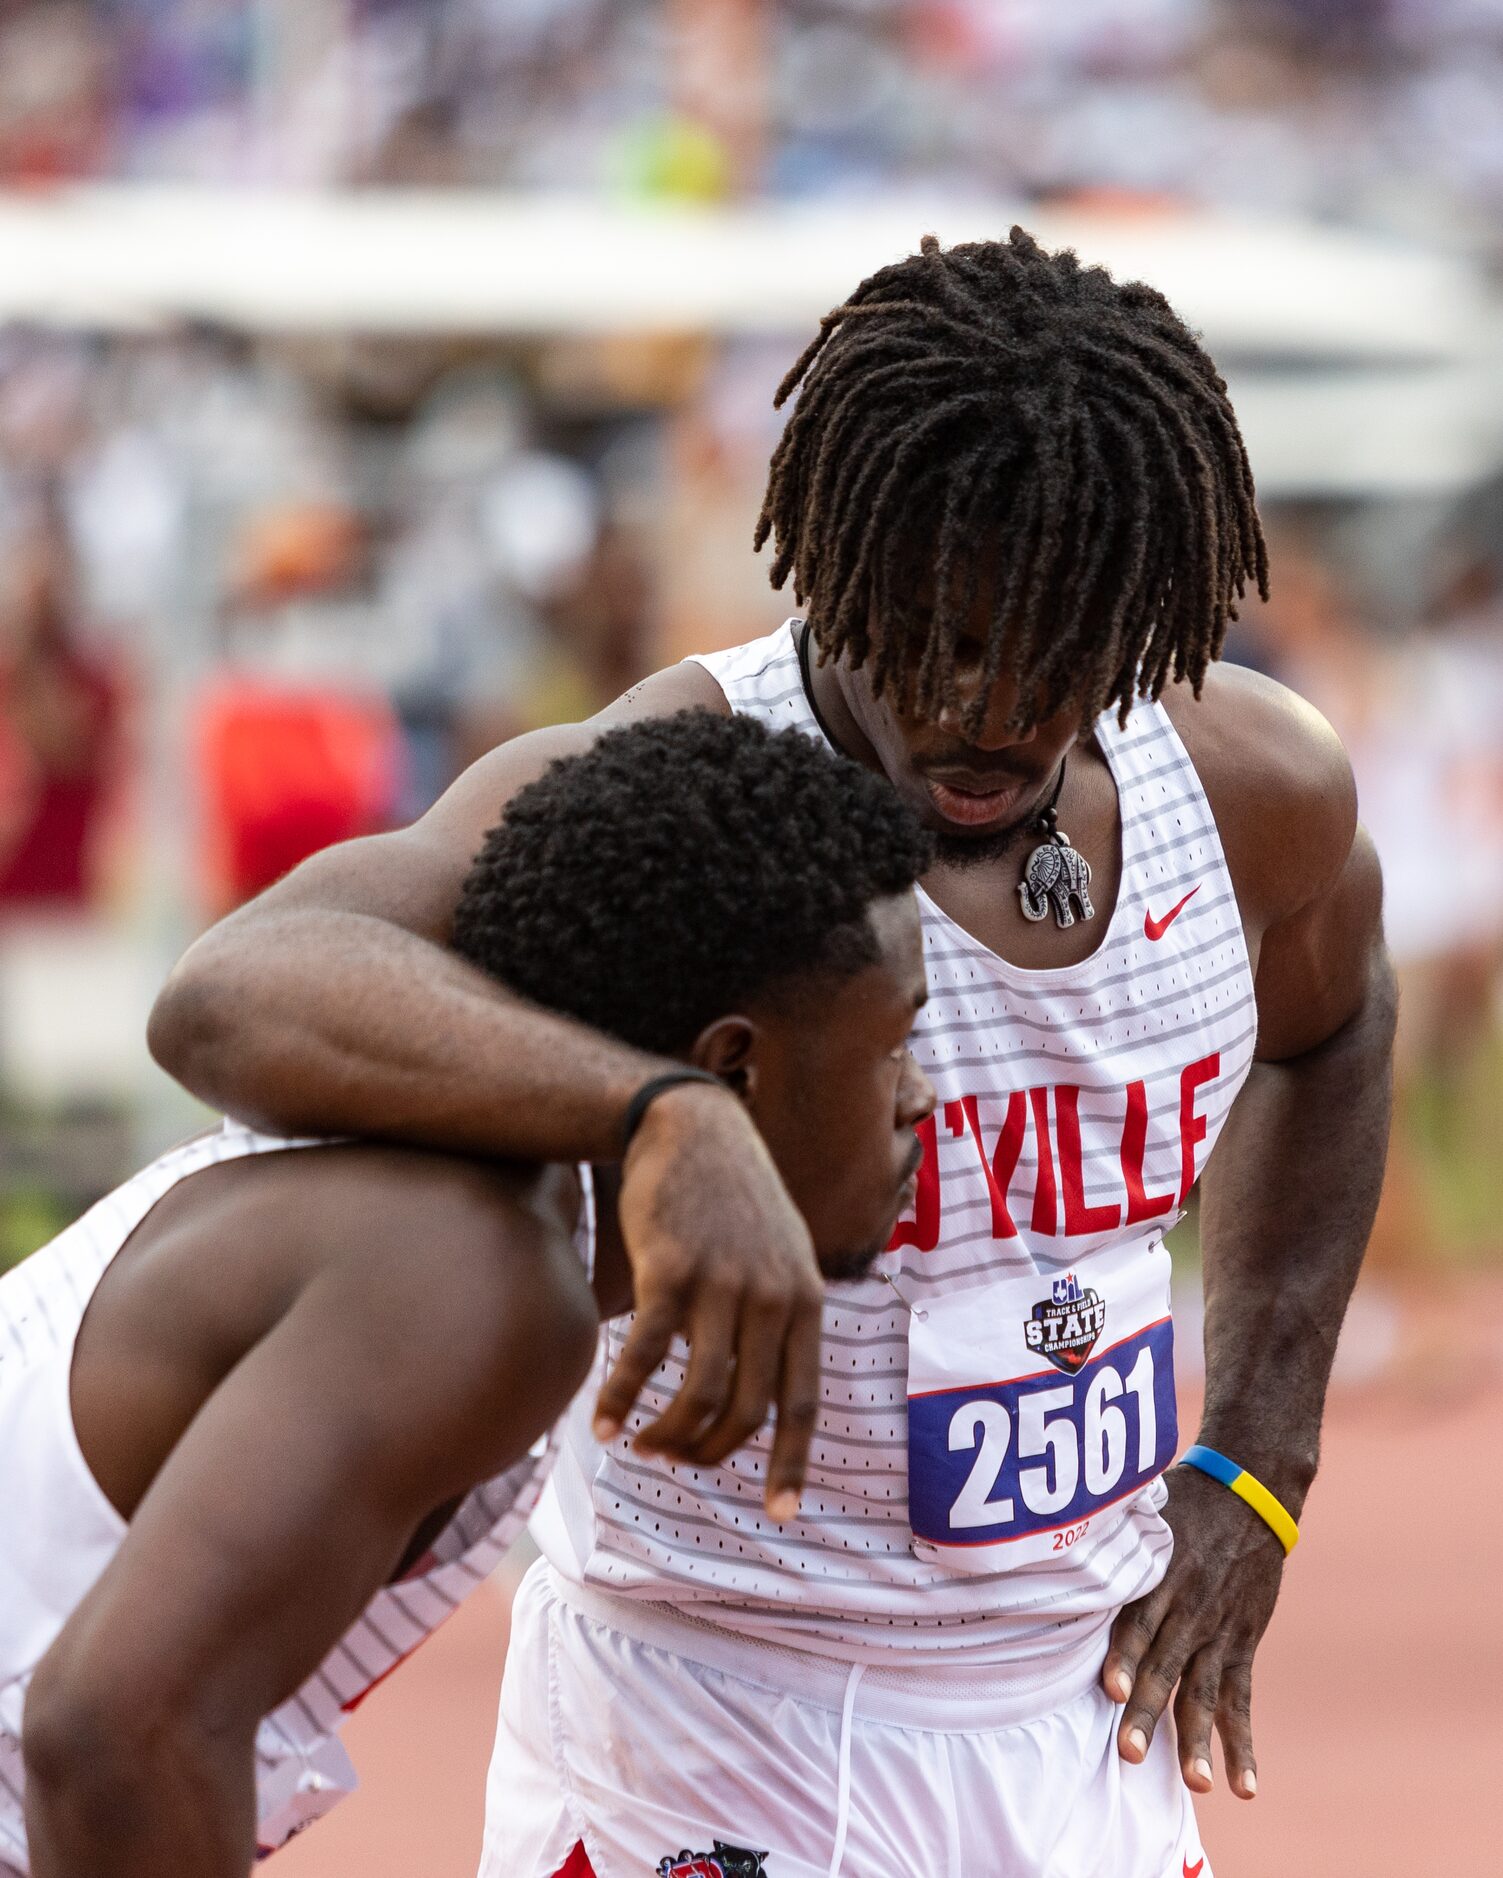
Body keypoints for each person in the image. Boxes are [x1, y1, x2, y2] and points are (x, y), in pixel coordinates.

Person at [147, 230, 1396, 1877]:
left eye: (1054, 651)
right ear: (830, 567)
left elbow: (1334, 1028)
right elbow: (236, 989)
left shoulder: (1248, 796)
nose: (989, 710)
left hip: (1070, 1721)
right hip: (708, 1717)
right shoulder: (685, 783)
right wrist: (657, 1110)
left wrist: (1259, 1451)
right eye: (936, 636)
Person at [0, 711, 935, 1878]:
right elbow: (111, 1740)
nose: (924, 1097)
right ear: (730, 1066)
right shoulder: (474, 1279)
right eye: (900, 1042)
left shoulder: (471, 1215)